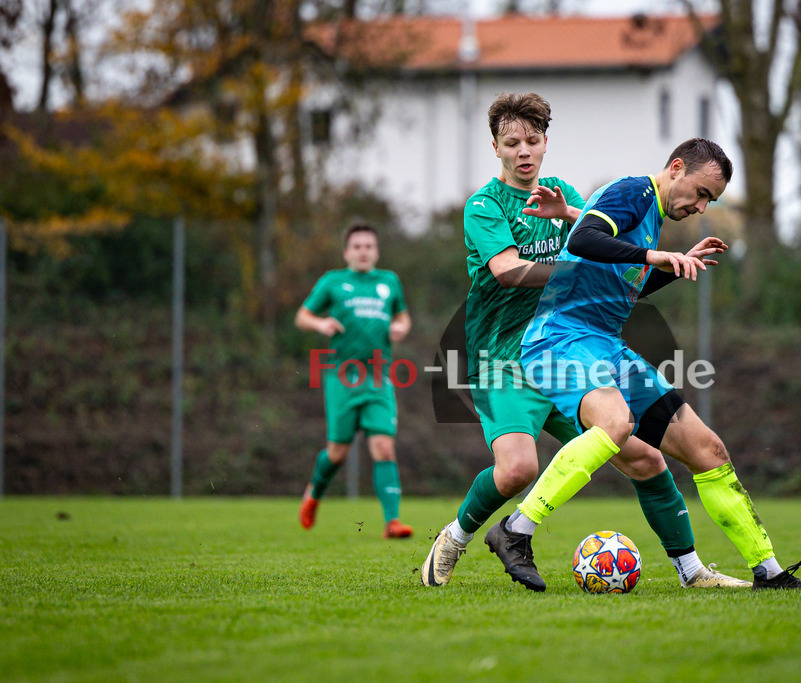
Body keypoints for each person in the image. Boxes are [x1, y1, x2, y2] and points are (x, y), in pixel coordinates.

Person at [420, 92, 750, 592]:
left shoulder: (559, 192)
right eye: (512, 143)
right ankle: (454, 538)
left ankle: (691, 571)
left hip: (563, 354)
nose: (523, 151)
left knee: (646, 457)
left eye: (533, 140)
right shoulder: (483, 206)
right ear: (496, 148)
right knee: (516, 471)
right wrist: (599, 266)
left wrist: (598, 233)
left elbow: (600, 237)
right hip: (502, 359)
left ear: (546, 142)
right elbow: (508, 272)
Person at [490, 137, 801, 590]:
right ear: (676, 168)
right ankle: (515, 530)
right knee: (616, 422)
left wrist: (668, 268)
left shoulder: (650, 218)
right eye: (701, 193)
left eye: (710, 201)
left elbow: (621, 286)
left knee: (708, 450)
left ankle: (769, 572)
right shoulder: (634, 193)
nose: (701, 207)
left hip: (603, 344)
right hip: (559, 339)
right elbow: (582, 239)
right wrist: (652, 255)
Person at [296, 223, 415, 539]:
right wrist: (320, 324)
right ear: (347, 252)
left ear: (376, 252)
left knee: (383, 446)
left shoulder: (389, 282)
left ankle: (392, 522)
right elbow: (302, 316)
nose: (363, 251)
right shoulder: (333, 282)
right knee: (337, 453)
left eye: (369, 246)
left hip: (378, 375)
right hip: (341, 376)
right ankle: (313, 494)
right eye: (357, 246)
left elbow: (402, 316)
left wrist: (401, 326)